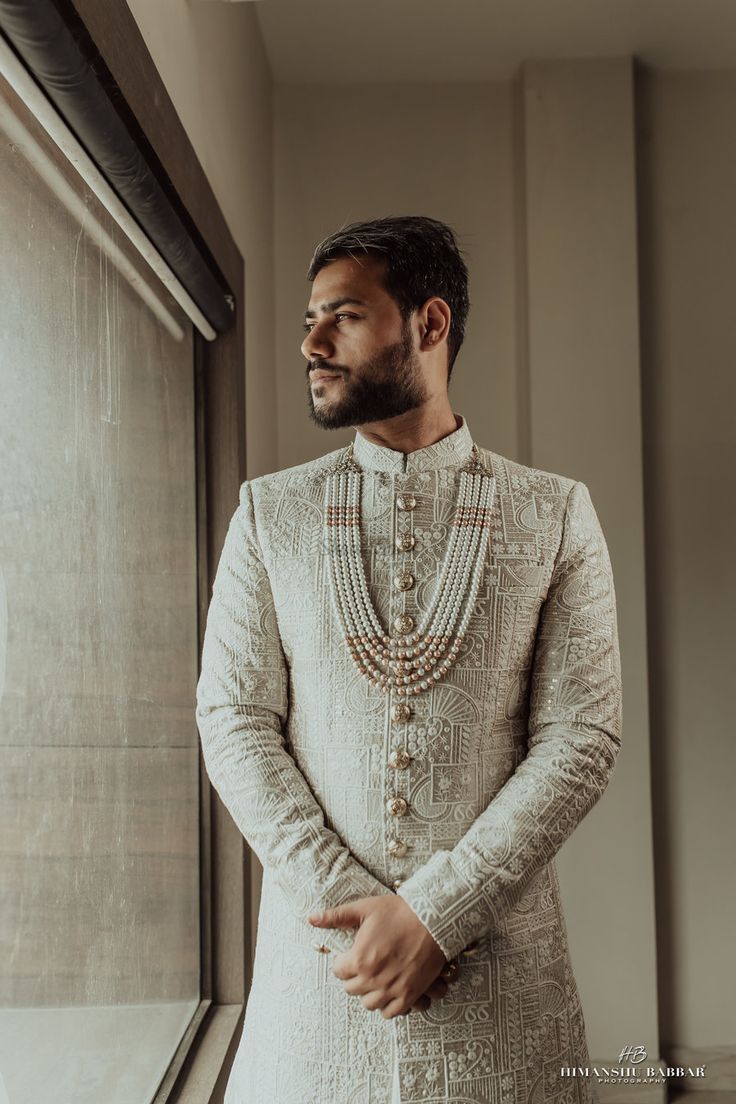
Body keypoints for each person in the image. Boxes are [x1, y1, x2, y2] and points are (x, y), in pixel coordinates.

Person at [195, 215, 622, 1104]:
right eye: (310, 319)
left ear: (429, 324)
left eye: (343, 316)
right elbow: (232, 723)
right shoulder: (269, 518)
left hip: (503, 1000)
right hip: (317, 999)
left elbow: (582, 739)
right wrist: (363, 923)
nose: (311, 343)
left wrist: (437, 916)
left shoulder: (555, 515)